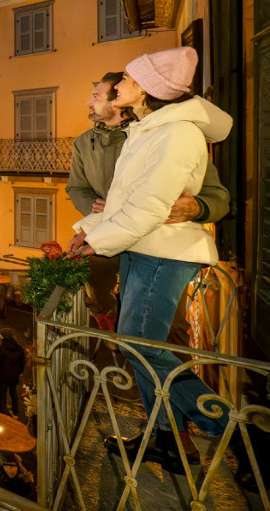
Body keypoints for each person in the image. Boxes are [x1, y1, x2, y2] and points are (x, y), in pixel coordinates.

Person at [68, 48, 236, 468]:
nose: (116, 83)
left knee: (141, 346)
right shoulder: (147, 129)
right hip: (140, 248)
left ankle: (237, 430)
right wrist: (85, 232)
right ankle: (165, 437)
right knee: (138, 346)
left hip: (162, 251)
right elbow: (119, 201)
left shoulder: (175, 133)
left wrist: (96, 242)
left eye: (125, 78)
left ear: (143, 89)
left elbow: (145, 207)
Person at [66, 70, 230, 325]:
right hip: (112, 236)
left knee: (162, 331)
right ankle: (110, 325)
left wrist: (198, 207)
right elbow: (76, 187)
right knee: (126, 323)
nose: (88, 103)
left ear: (116, 101)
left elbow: (218, 196)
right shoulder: (85, 143)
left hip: (158, 245)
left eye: (96, 96)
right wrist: (93, 213)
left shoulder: (159, 134)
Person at [0, 329, 26, 418]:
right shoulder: (19, 348)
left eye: (1, 335)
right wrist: (20, 372)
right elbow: (23, 362)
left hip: (3, 375)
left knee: (3, 394)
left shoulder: (1, 349)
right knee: (13, 393)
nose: (0, 336)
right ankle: (15, 413)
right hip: (14, 376)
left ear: (4, 337)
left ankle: (2, 412)